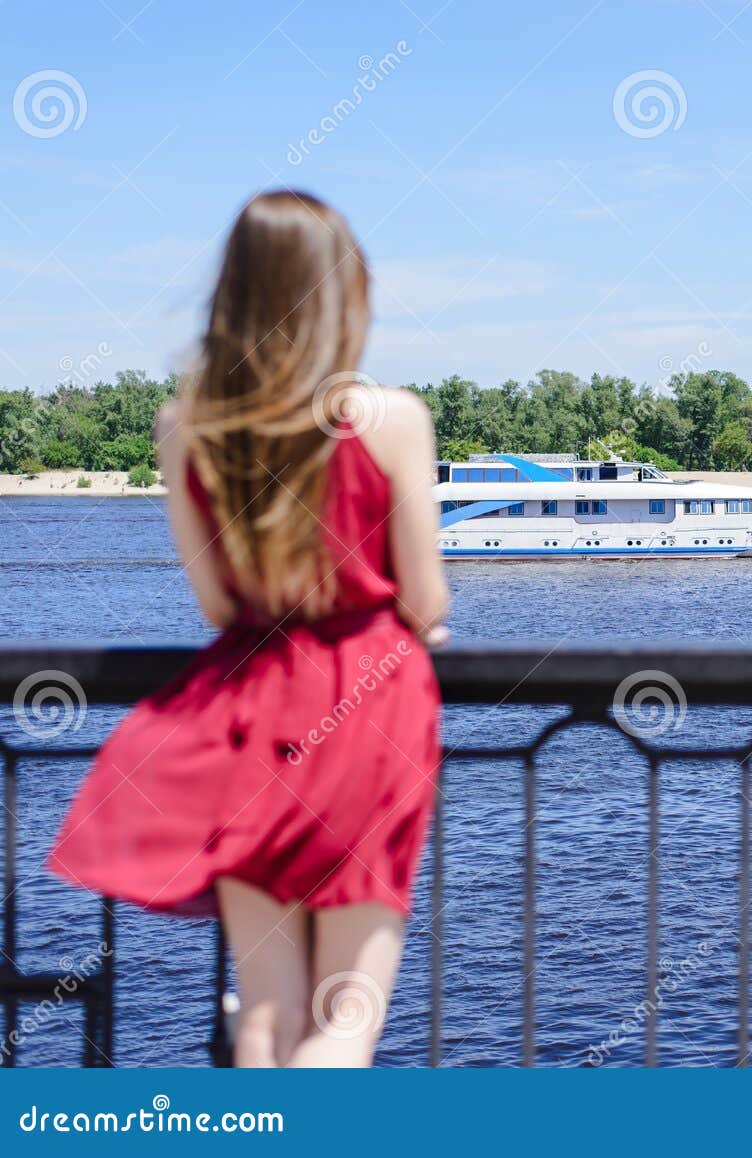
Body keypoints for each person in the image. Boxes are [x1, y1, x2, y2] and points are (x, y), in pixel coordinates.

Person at [49, 190, 450, 1067]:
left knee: (267, 1015)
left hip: (255, 711)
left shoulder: (187, 427)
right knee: (345, 1019)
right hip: (371, 709)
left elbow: (220, 611)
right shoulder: (391, 420)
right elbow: (424, 602)